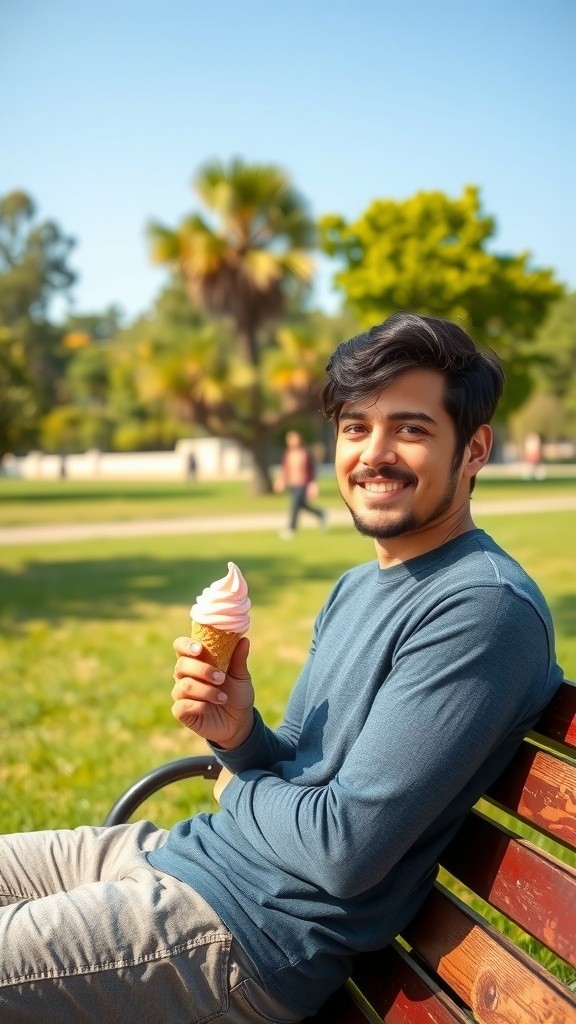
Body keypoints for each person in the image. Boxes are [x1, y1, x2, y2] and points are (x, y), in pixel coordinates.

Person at [0, 313, 564, 1024]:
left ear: (475, 449)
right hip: (176, 859)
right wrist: (238, 736)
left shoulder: (482, 609)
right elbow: (294, 766)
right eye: (356, 427)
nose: (374, 453)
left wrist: (237, 782)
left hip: (243, 936)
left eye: (411, 429)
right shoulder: (358, 586)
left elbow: (343, 850)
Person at [274, 429, 327, 537]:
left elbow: (312, 470)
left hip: (302, 484)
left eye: (294, 438)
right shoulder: (287, 453)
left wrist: (313, 484)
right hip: (292, 484)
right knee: (302, 505)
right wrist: (280, 481)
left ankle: (291, 529)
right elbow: (285, 469)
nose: (292, 441)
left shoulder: (305, 453)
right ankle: (321, 514)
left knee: (294, 506)